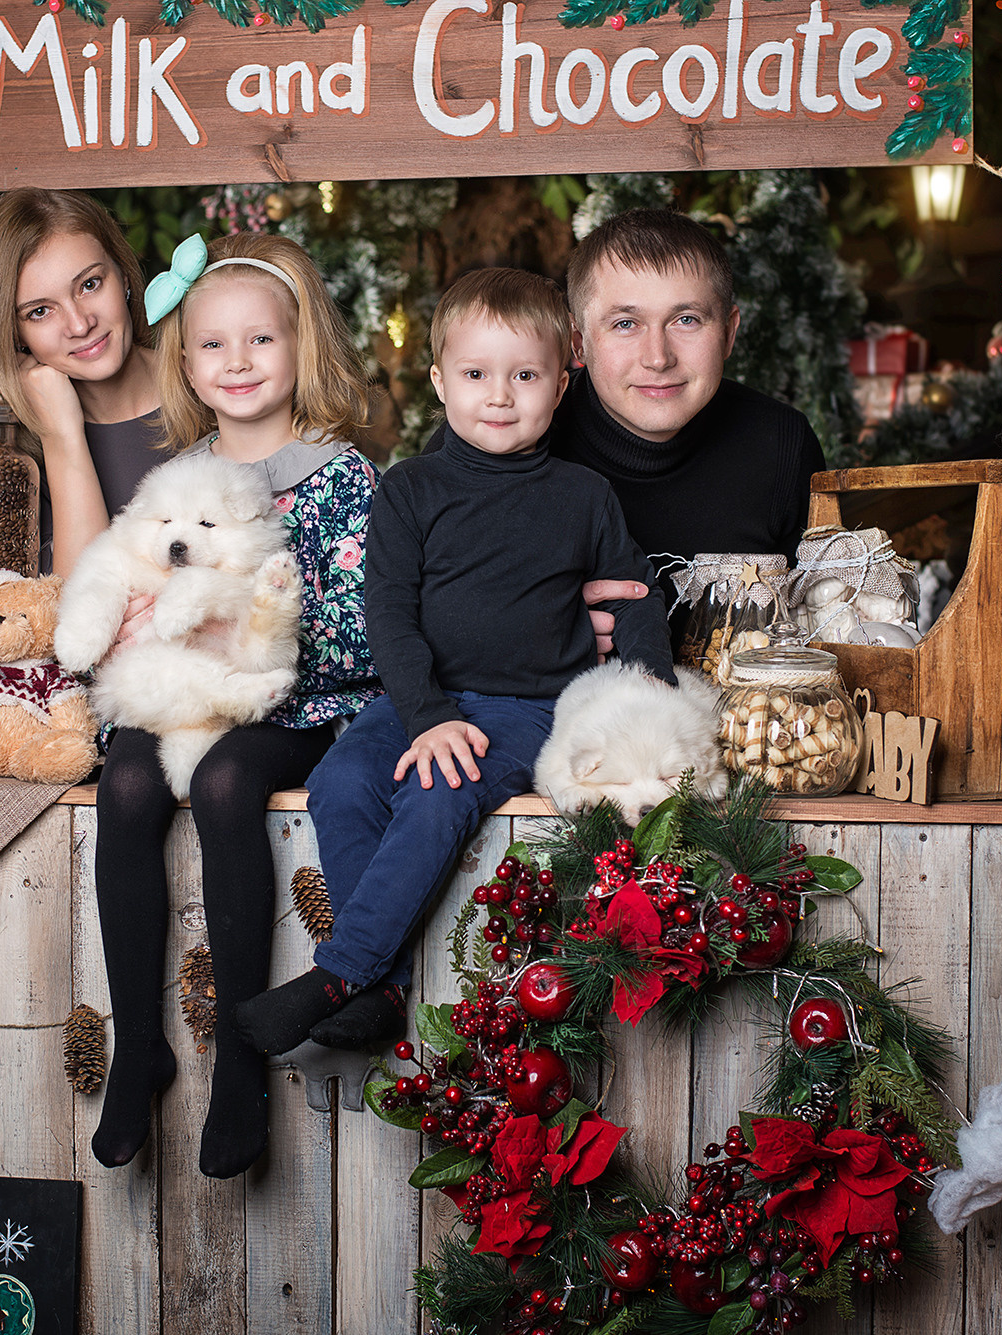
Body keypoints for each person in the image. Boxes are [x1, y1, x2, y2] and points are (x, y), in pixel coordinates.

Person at [235, 268, 676, 1056]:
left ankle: (341, 974)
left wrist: (647, 688)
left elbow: (638, 596)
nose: (499, 395)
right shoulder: (409, 489)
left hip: (526, 707)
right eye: (475, 374)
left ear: (562, 381)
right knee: (341, 781)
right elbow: (389, 614)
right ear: (441, 380)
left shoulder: (583, 494)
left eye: (525, 375)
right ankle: (385, 991)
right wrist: (428, 715)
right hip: (416, 696)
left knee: (439, 794)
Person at [89, 232, 381, 1179]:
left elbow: (352, 634)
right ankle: (139, 1045)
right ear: (185, 361)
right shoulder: (181, 478)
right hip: (187, 697)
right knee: (126, 780)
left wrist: (237, 639)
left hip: (295, 708)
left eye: (261, 340)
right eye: (213, 344)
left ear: (304, 349)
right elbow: (133, 587)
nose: (238, 361)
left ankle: (242, 1068)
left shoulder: (341, 477)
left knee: (223, 783)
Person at [428, 209, 828, 650]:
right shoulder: (496, 436)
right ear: (578, 342)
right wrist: (533, 620)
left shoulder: (781, 444)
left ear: (730, 333)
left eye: (687, 320)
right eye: (625, 324)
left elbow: (824, 624)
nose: (658, 358)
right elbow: (410, 603)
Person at [0, 189, 163, 577]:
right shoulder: (9, 463)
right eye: (40, 311)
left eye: (90, 284)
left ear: (122, 273)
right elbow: (72, 619)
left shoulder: (216, 383)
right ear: (14, 335)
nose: (80, 324)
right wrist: (61, 437)